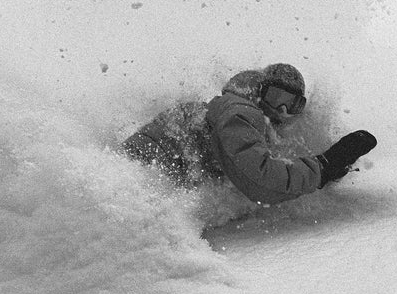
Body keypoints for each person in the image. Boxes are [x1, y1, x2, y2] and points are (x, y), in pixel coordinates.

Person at [122, 63, 376, 204]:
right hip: (138, 173)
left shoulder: (232, 112)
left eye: (292, 104)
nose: (282, 109)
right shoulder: (240, 112)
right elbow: (260, 179)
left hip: (138, 171)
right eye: (276, 97)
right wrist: (322, 168)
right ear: (258, 90)